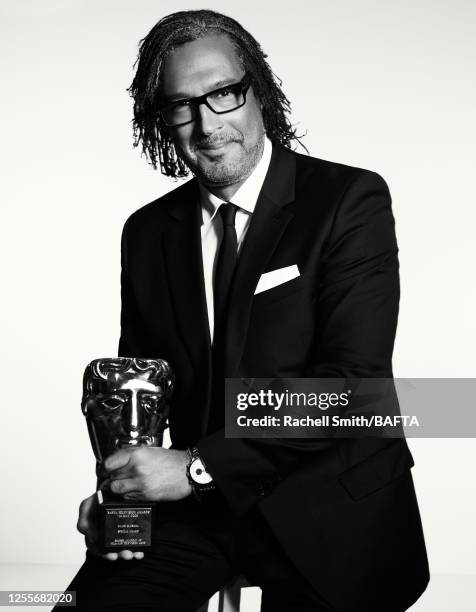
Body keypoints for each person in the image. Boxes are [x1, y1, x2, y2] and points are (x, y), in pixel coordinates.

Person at [62, 9, 429, 611]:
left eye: (224, 94)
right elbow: (141, 393)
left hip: (330, 509)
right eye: (182, 106)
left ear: (258, 90)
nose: (207, 125)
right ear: (163, 122)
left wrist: (198, 466)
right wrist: (122, 496)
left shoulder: (348, 201)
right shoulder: (148, 233)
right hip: (199, 509)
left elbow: (355, 389)